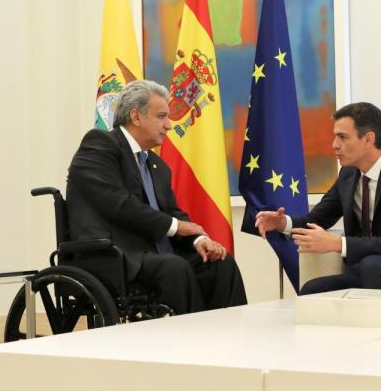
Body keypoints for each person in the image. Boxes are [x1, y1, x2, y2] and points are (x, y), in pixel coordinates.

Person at [66, 79, 247, 314]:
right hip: (113, 254)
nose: (169, 125)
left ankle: (230, 340)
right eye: (161, 116)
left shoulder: (156, 164)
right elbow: (119, 204)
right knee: (175, 268)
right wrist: (175, 226)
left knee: (219, 263)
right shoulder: (100, 145)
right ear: (136, 117)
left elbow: (172, 212)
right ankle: (189, 343)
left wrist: (198, 240)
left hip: (153, 254)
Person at [255, 102, 381, 295]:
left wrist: (337, 243)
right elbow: (317, 219)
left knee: (373, 265)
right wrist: (283, 223)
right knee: (313, 290)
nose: (334, 145)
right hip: (371, 271)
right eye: (335, 137)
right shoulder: (348, 175)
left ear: (368, 139)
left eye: (343, 137)